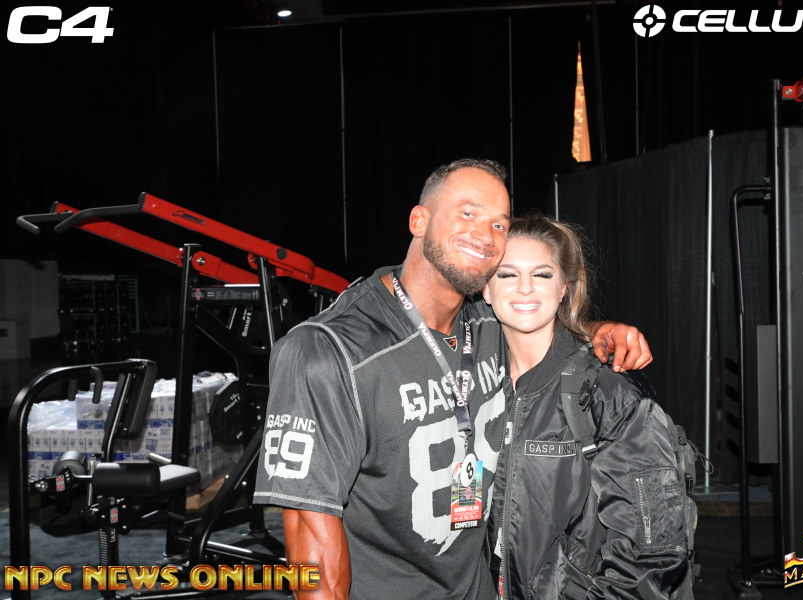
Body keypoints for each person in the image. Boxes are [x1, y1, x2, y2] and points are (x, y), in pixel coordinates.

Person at [252, 159, 653, 600]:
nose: (486, 235)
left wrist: (599, 331)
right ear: (418, 220)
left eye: (499, 224)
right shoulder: (329, 351)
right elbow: (309, 535)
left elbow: (540, 323)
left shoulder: (488, 322)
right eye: (467, 212)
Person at [484, 213, 690, 599]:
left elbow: (654, 554)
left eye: (542, 274)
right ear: (485, 289)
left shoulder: (608, 389)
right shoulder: (473, 383)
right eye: (507, 274)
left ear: (563, 288)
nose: (525, 288)